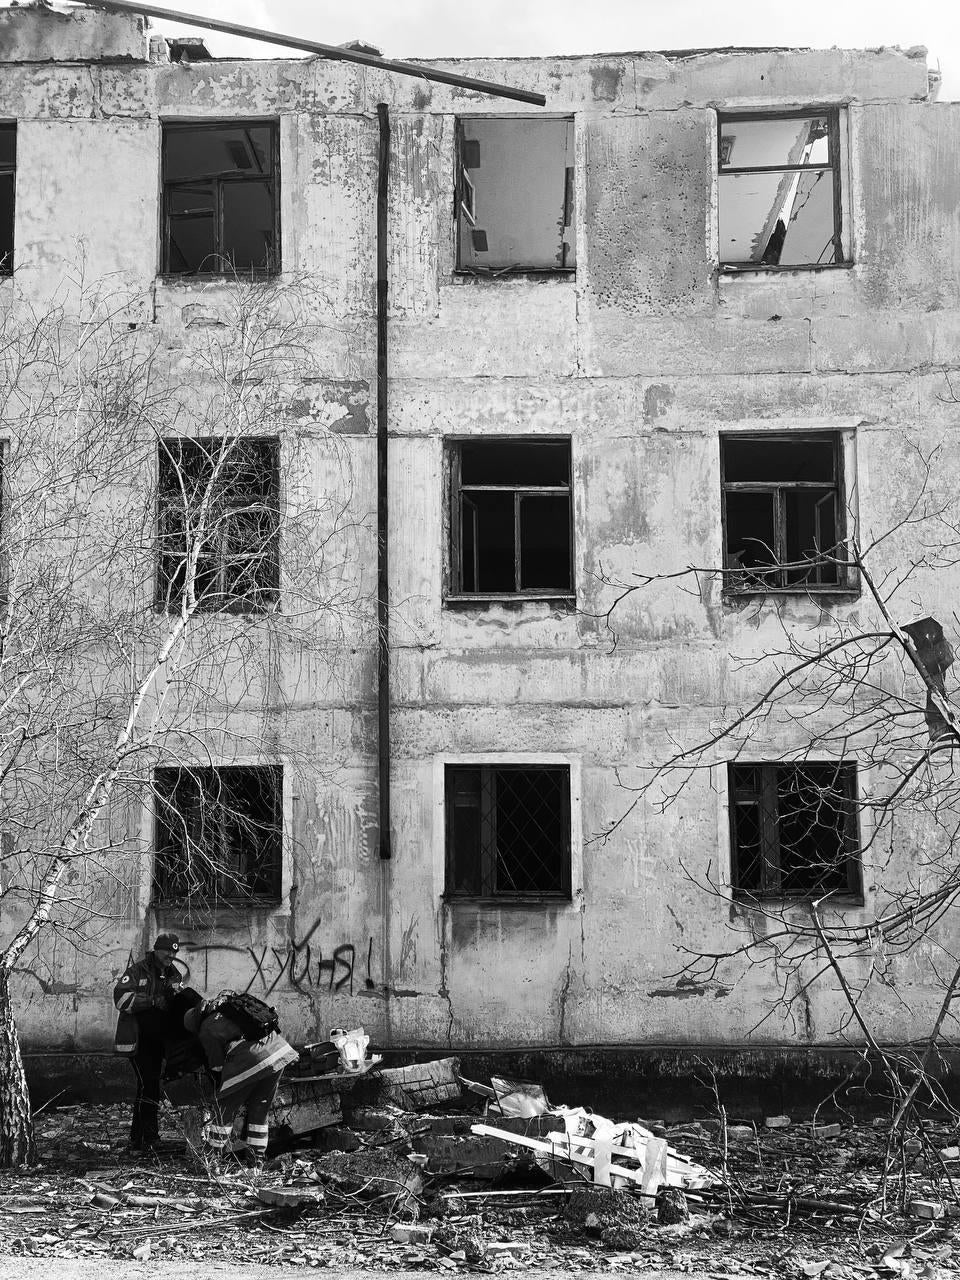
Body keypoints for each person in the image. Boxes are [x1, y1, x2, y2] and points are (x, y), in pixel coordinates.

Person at [184, 995, 299, 1165]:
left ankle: (212, 1161)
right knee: (259, 1111)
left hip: (252, 1059)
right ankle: (256, 1163)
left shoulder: (206, 1029)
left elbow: (217, 1067)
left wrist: (221, 1088)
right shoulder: (227, 1009)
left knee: (223, 1110)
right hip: (279, 1052)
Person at [112, 932, 184, 1150]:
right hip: (138, 1039)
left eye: (174, 952)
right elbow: (121, 999)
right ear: (156, 950)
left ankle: (138, 1137)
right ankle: (150, 1138)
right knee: (149, 1084)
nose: (170, 955)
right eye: (167, 951)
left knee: (147, 1086)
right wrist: (152, 1001)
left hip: (158, 1041)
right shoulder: (137, 970)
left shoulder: (174, 974)